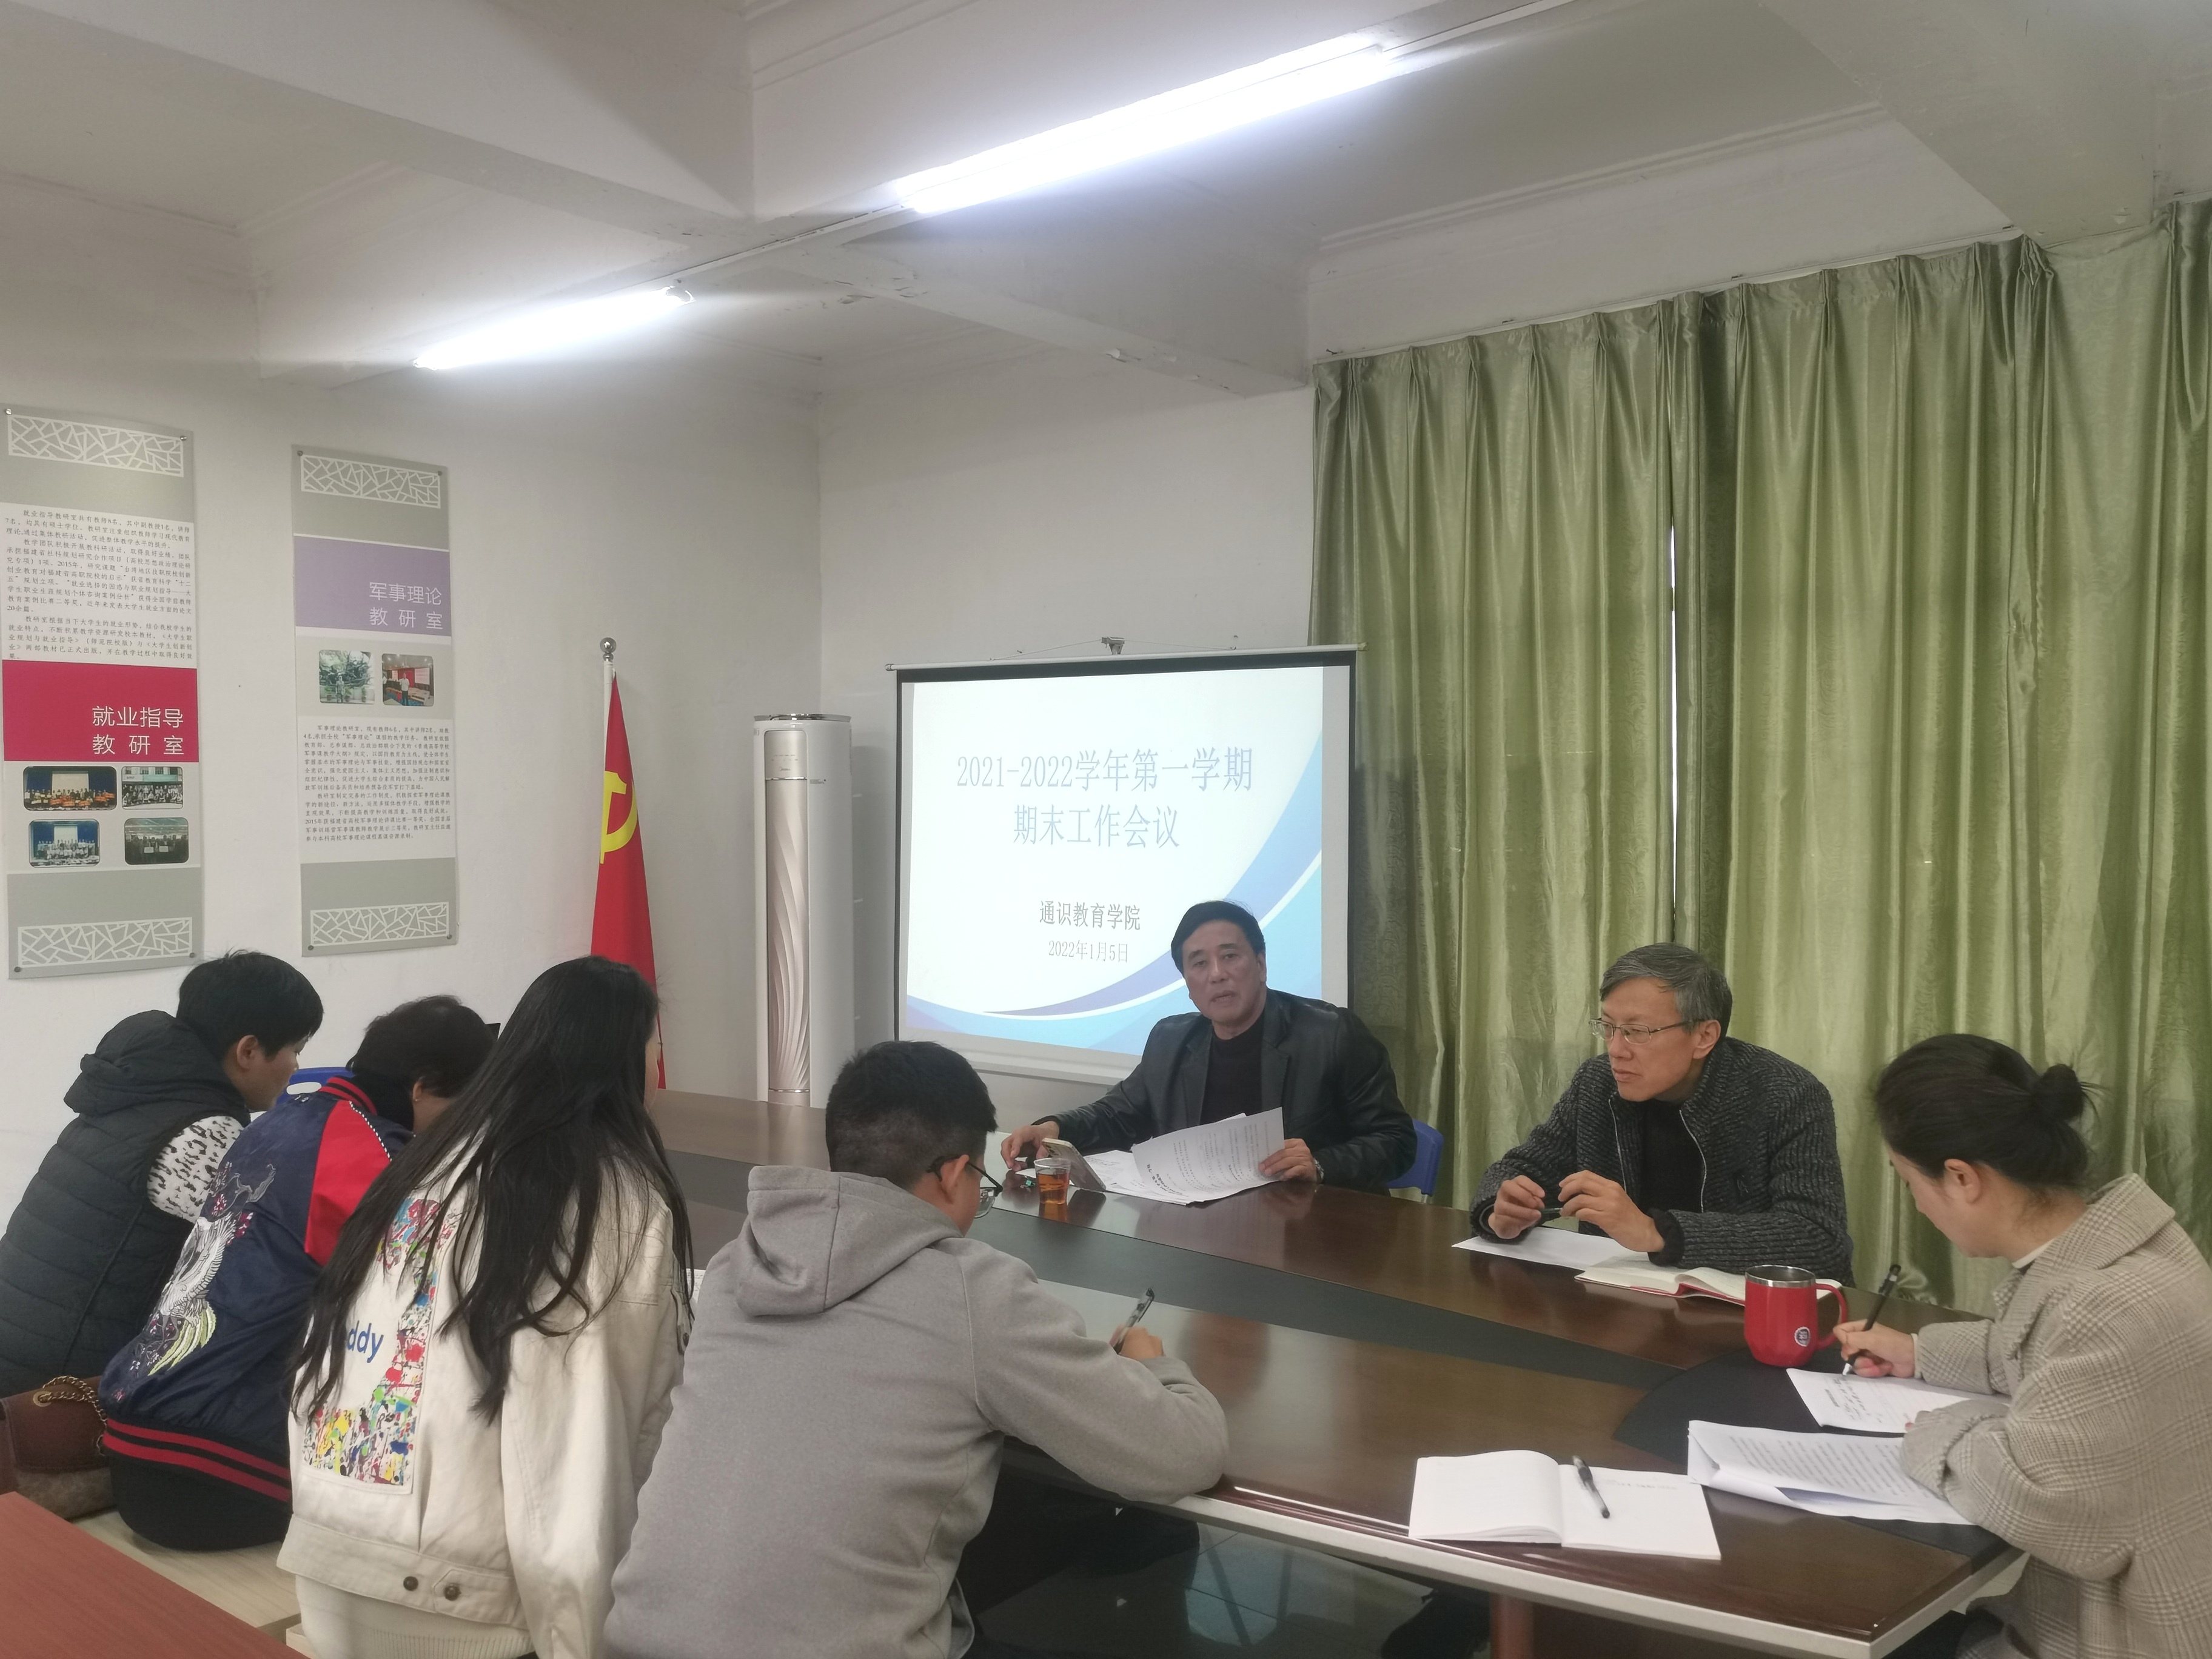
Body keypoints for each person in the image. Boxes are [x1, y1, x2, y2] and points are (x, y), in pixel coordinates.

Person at [606, 1040, 1228, 1659]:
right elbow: (1185, 1455)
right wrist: (1151, 1363)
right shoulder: (974, 1292)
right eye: (981, 1181)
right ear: (953, 1173)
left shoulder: (736, 1266)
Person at [285, 958, 689, 1659]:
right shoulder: (597, 1200)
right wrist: (586, 1643)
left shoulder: (427, 1166)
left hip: (331, 1560)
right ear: (623, 1063)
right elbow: (574, 1445)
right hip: (460, 1604)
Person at [1837, 1036, 2212, 1659]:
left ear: (1962, 1178)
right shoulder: (2129, 1251)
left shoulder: (2106, 1307)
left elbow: (2038, 1499)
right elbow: (2040, 1351)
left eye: (1909, 1182)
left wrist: (1932, 1430)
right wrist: (1918, 1352)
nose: (1918, 1206)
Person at [98, 996, 497, 1550]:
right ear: (421, 1088)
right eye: (468, 1106)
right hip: (216, 1469)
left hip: (138, 1431)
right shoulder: (375, 1157)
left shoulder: (281, 1121)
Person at [0, 950, 323, 1395]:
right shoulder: (203, 1132)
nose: (297, 1067)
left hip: (23, 1344)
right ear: (248, 1051)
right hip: (58, 1383)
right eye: (295, 1050)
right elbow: (283, 1248)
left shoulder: (141, 1091)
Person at [1470, 943, 1852, 1279]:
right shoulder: (1598, 1083)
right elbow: (1518, 1169)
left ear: (1704, 1036)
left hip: (1749, 1313)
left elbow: (1819, 1240)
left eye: (1637, 1032)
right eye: (1608, 1027)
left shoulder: (1786, 1095)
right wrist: (1499, 1211)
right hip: (1617, 1302)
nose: (1615, 1050)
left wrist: (1656, 1232)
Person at [1002, 900, 1416, 1190]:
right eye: (1199, 963)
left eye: (1230, 956)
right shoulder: (1171, 1040)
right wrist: (1054, 1129)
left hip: (1309, 1230)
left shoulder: (1331, 1035)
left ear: (1261, 963)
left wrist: (1321, 1164)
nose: (1217, 974)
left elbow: (1396, 1141)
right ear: (1187, 983)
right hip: (1202, 1227)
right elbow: (1118, 1114)